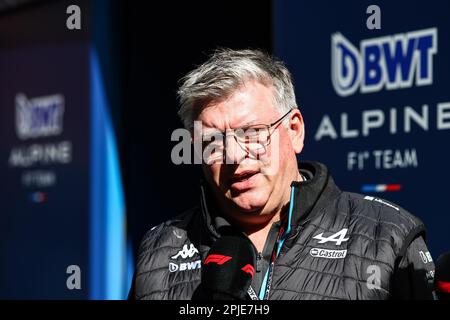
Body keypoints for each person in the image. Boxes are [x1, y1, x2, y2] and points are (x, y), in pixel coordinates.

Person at [128, 48, 435, 300]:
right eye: (212, 142)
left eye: (251, 133)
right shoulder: (160, 249)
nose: (234, 156)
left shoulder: (387, 235)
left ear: (295, 130)